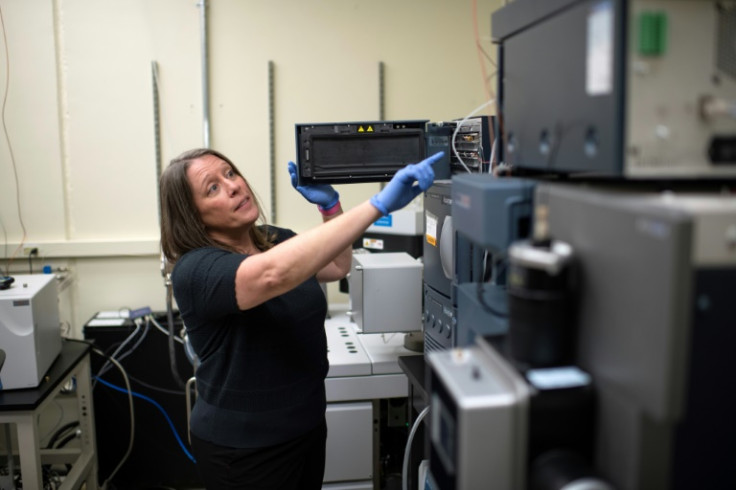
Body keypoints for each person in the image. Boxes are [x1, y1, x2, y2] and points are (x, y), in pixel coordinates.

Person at [159, 147, 443, 489]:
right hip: (244, 450)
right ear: (193, 215)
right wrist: (377, 205)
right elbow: (271, 276)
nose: (233, 186)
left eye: (230, 173)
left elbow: (337, 266)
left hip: (305, 427)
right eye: (212, 188)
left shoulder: (273, 239)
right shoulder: (196, 270)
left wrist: (330, 207)